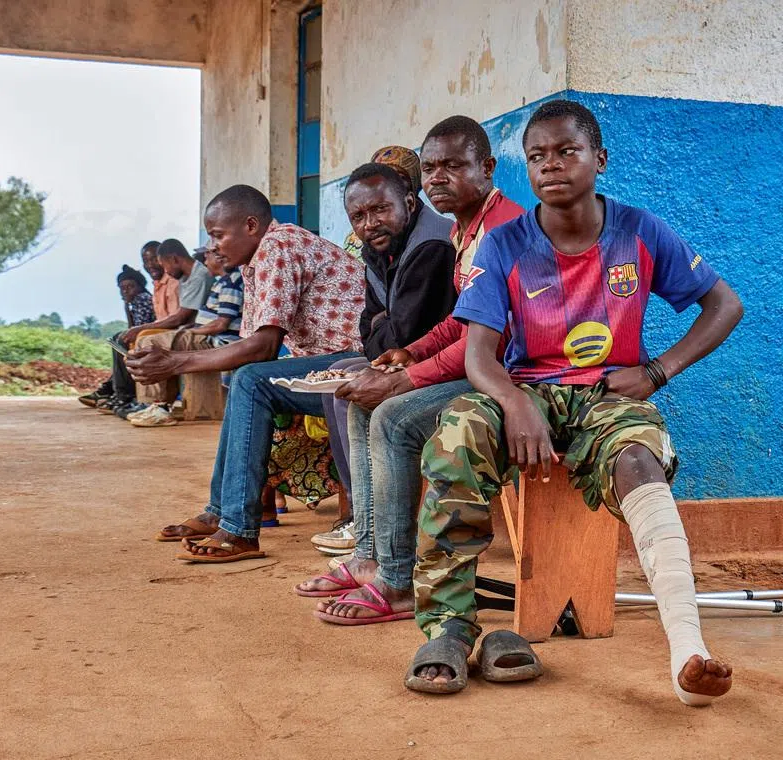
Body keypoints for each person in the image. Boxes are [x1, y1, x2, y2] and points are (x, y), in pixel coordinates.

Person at [404, 100, 744, 701]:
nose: (550, 165)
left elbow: (724, 305)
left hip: (606, 396)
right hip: (529, 391)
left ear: (600, 159)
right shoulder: (504, 244)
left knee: (640, 455)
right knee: (456, 428)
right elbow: (479, 354)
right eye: (537, 156)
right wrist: (513, 402)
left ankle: (688, 651)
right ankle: (450, 627)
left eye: (567, 151)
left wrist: (659, 370)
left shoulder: (640, 231)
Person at [296, 116, 524, 624]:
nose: (438, 177)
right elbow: (462, 321)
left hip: (508, 377)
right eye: (430, 167)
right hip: (479, 363)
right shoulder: (467, 227)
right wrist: (410, 353)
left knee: (392, 418)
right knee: (359, 399)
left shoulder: (502, 230)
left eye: (452, 166)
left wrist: (405, 378)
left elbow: (489, 339)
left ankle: (397, 582)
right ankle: (368, 556)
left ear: (486, 168)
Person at [129, 184, 365, 562]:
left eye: (218, 235)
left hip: (355, 362)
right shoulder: (256, 261)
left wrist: (174, 362)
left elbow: (262, 348)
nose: (212, 246)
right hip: (325, 366)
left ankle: (237, 529)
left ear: (251, 225)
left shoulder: (280, 246)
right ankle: (222, 511)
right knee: (248, 379)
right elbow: (251, 346)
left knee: (251, 381)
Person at [316, 162, 457, 506]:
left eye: (380, 209)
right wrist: (384, 323)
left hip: (441, 359)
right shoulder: (380, 248)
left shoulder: (432, 245)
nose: (370, 223)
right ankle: (357, 506)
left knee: (352, 383)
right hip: (407, 354)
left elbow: (404, 336)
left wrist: (384, 323)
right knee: (340, 381)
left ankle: (373, 512)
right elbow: (368, 331)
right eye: (358, 216)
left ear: (409, 203)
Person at [128, 247, 244, 427]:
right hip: (205, 335)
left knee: (150, 342)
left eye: (209, 254)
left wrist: (191, 332)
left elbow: (220, 324)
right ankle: (158, 405)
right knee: (149, 341)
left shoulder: (232, 283)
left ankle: (158, 406)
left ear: (220, 258)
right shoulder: (222, 281)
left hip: (216, 340)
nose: (204, 259)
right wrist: (192, 328)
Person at [79, 258, 158, 408]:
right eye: (122, 288)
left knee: (119, 340)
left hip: (150, 337)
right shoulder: (133, 302)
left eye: (130, 286)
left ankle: (122, 394)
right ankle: (110, 390)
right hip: (143, 336)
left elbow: (138, 328)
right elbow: (132, 327)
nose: (126, 291)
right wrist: (126, 306)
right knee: (118, 341)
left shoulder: (142, 299)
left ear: (140, 287)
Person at [145, 240, 180, 320]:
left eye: (155, 260)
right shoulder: (157, 284)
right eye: (146, 261)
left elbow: (174, 321)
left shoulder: (173, 282)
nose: (150, 265)